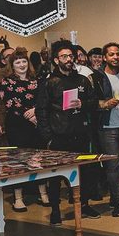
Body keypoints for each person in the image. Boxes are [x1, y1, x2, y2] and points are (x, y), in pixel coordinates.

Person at [36, 40, 100, 223]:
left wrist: (84, 104)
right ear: (56, 60)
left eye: (71, 56)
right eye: (64, 56)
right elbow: (41, 111)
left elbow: (94, 101)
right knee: (56, 176)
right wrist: (47, 137)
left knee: (84, 173)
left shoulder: (81, 80)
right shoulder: (49, 82)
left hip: (80, 134)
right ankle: (55, 210)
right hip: (59, 137)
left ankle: (85, 205)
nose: (69, 59)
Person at [91, 43, 119, 217]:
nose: (115, 57)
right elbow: (90, 101)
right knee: (113, 165)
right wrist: (104, 104)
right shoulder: (97, 77)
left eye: (118, 54)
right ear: (105, 57)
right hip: (107, 127)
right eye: (111, 54)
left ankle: (115, 197)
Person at [0, 49, 48, 211]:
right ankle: (18, 198)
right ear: (12, 65)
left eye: (24, 61)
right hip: (17, 125)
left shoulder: (37, 80)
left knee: (39, 159)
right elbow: (9, 102)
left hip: (37, 123)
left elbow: (43, 99)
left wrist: (35, 111)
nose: (21, 65)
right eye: (17, 62)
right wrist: (29, 115)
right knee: (18, 161)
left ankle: (43, 193)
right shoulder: (7, 82)